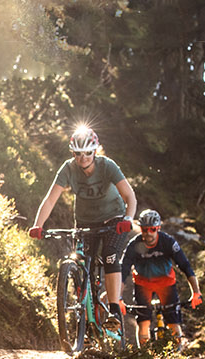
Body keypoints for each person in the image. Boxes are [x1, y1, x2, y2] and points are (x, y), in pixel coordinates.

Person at [27, 126, 137, 333]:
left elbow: (130, 196)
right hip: (86, 222)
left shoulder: (108, 166)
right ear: (73, 153)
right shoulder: (68, 169)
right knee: (80, 261)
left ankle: (113, 311)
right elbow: (50, 199)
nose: (83, 158)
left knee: (110, 255)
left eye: (87, 153)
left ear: (95, 151)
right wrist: (38, 225)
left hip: (114, 219)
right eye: (78, 154)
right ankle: (84, 321)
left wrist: (128, 219)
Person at [121, 209, 202, 346]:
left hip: (166, 284)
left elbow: (185, 266)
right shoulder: (133, 245)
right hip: (143, 284)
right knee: (143, 322)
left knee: (173, 322)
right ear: (141, 229)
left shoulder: (168, 242)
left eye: (152, 229)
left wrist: (196, 292)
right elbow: (123, 271)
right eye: (145, 229)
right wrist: (118, 297)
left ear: (158, 228)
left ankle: (177, 353)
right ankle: (144, 354)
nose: (148, 233)